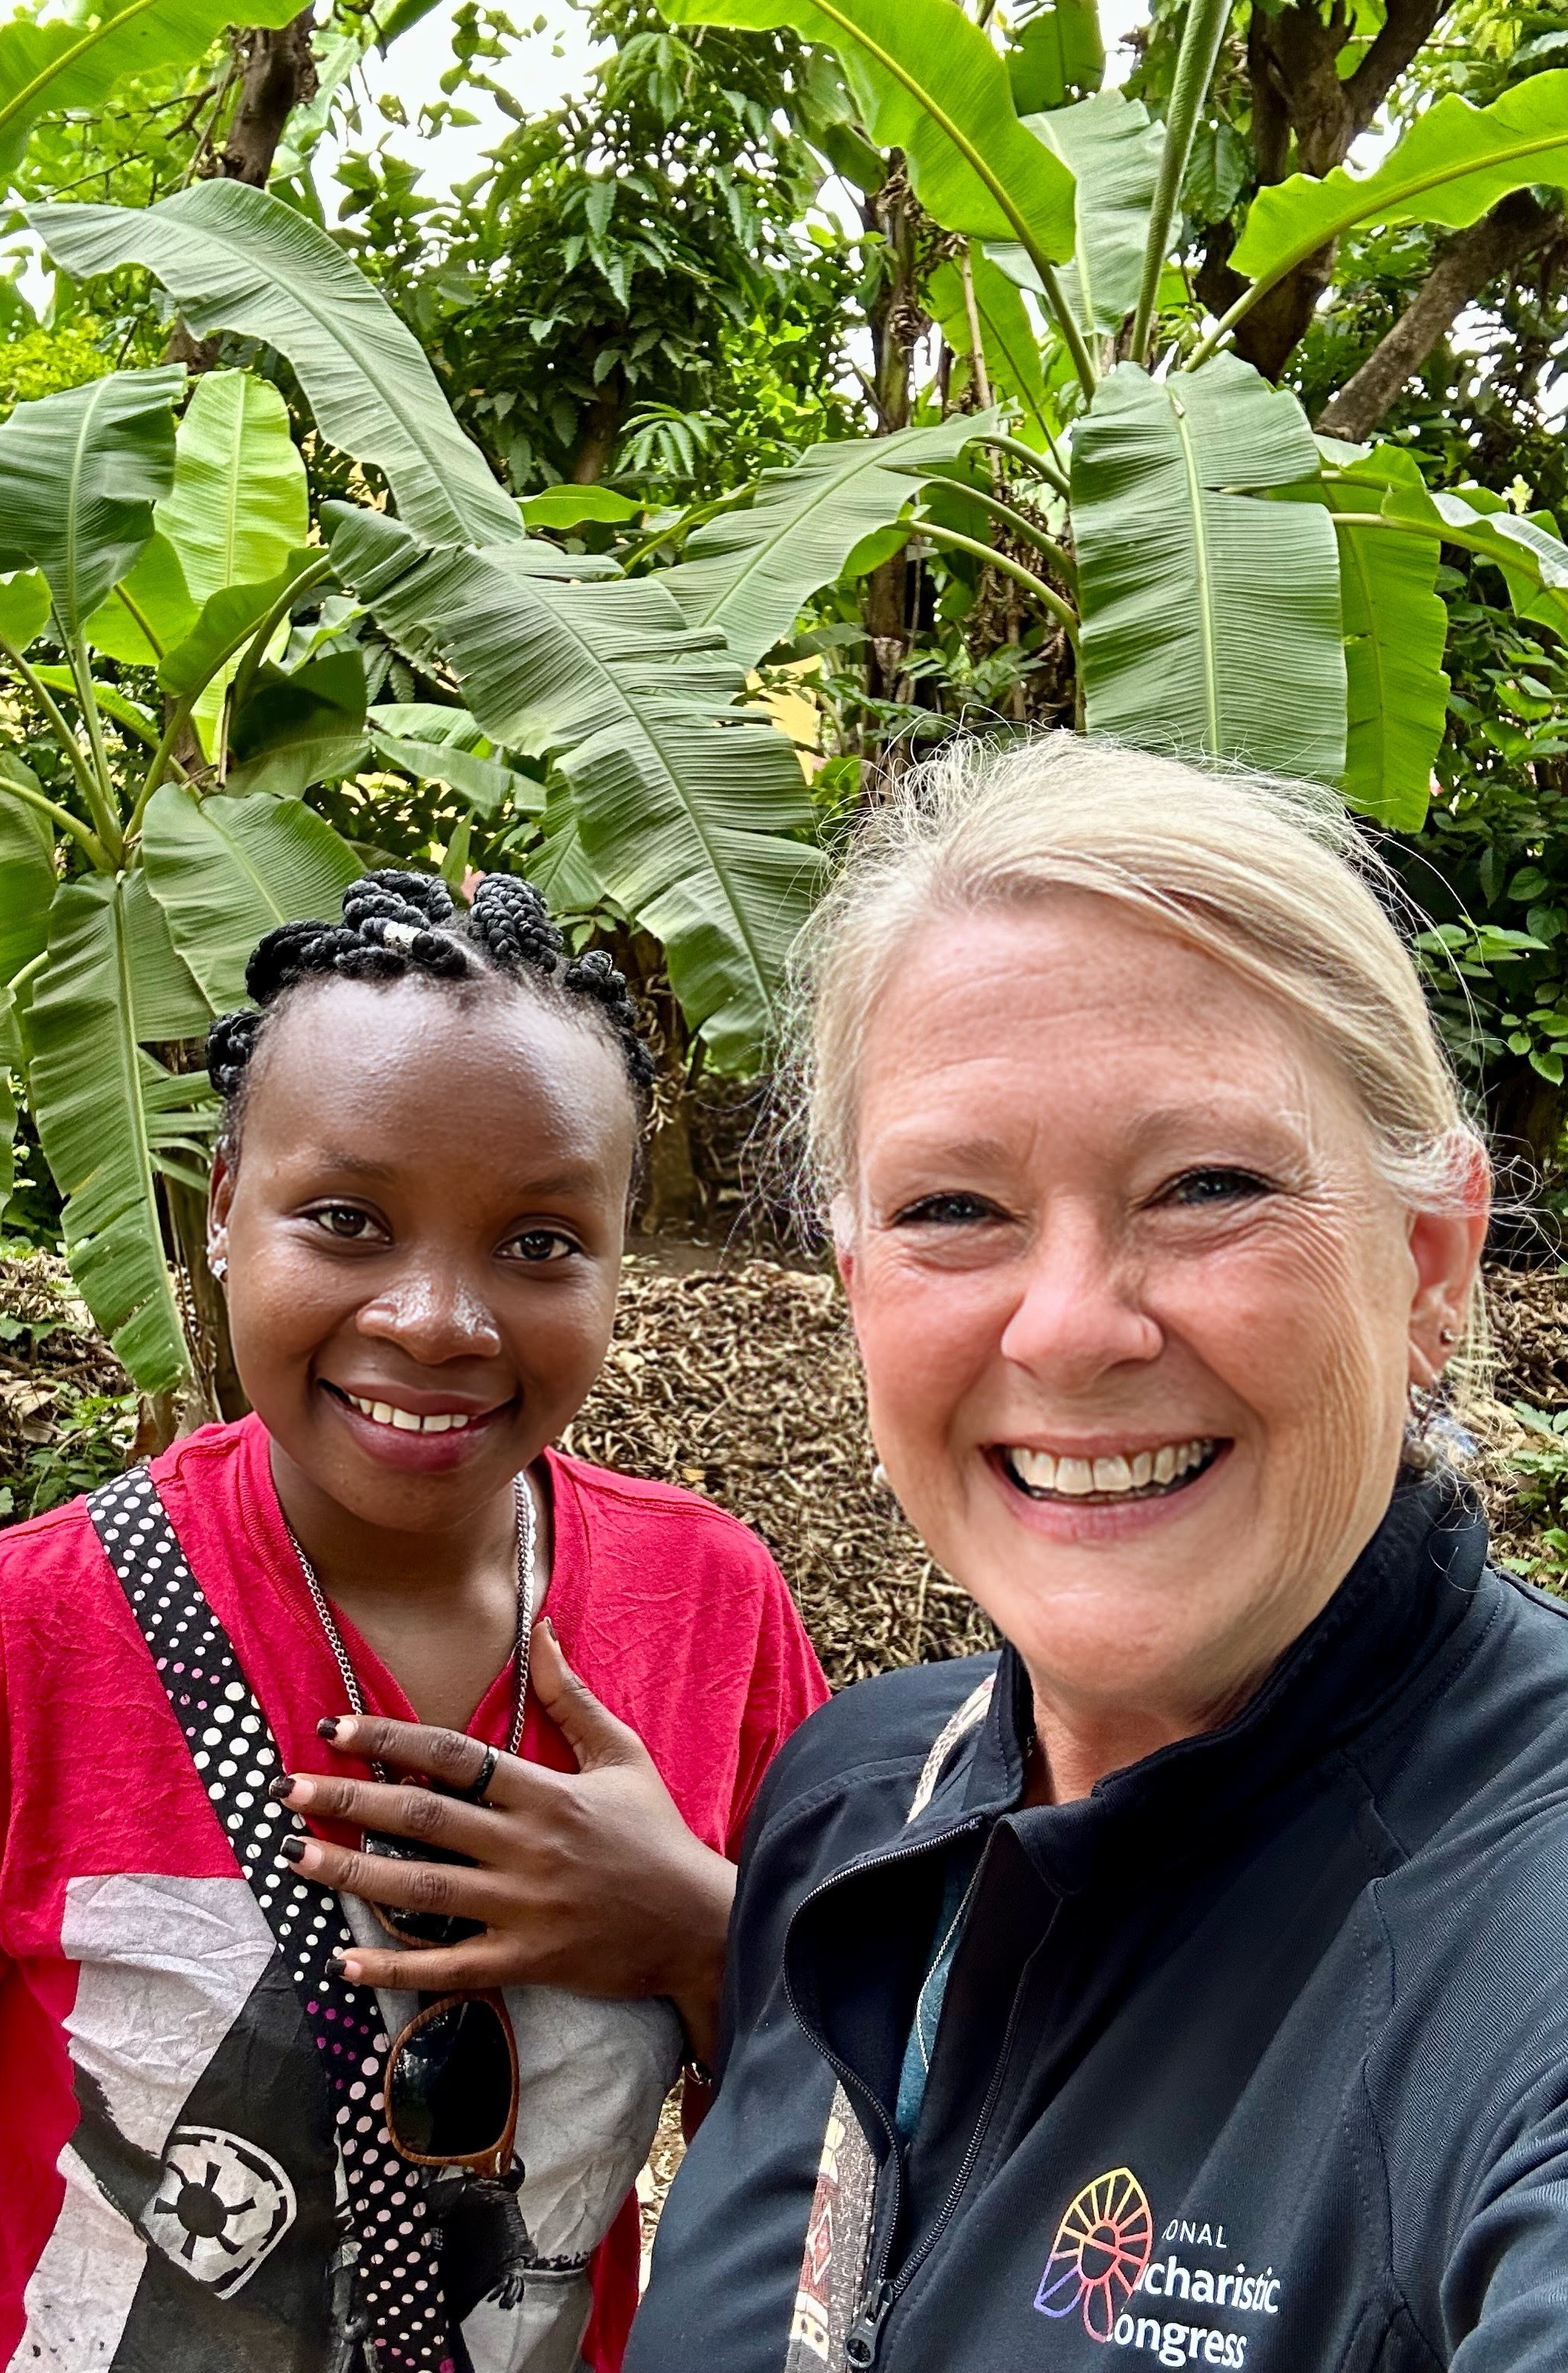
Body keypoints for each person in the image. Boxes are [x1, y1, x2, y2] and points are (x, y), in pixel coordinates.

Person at [0, 868, 827, 2373]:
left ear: (619, 1259)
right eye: (346, 1218)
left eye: (540, 1242)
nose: (437, 1319)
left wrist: (707, 1935)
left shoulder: (710, 1614)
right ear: (223, 1210)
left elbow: (816, 2189)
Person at [627, 735, 1568, 2373]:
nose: (1068, 1327)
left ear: (1430, 1261)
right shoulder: (858, 1807)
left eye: (1206, 1185)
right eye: (952, 1207)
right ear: (854, 1277)